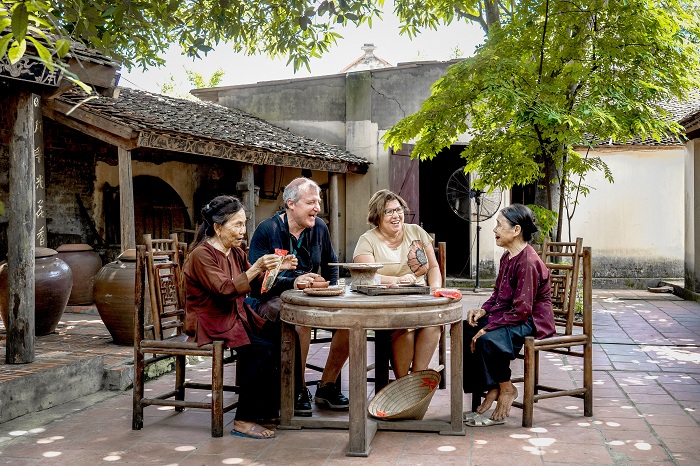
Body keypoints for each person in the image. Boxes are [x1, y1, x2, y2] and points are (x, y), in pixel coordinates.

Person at [183, 195, 296, 439]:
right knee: (259, 350)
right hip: (210, 321)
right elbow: (225, 290)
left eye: (244, 224)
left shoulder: (234, 252)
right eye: (237, 225)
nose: (243, 231)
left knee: (281, 335)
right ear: (218, 227)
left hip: (234, 317)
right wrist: (257, 267)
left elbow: (254, 286)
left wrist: (277, 268)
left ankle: (266, 410)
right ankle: (243, 420)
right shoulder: (202, 255)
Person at [248, 177, 350, 416]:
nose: (318, 208)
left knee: (350, 320)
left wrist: (333, 289)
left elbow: (331, 262)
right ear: (291, 204)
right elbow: (257, 282)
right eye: (311, 202)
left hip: (311, 297)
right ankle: (298, 388)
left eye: (318, 202)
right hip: (271, 300)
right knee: (300, 321)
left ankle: (327, 385)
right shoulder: (268, 230)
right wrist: (293, 282)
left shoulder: (319, 228)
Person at [463, 203, 555, 425]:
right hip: (512, 315)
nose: (494, 229)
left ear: (516, 230)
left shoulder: (527, 262)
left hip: (531, 321)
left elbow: (522, 311)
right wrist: (483, 310)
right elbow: (498, 295)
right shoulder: (507, 257)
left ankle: (505, 388)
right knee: (467, 328)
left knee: (487, 339)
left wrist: (489, 327)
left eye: (499, 225)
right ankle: (492, 386)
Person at [353, 189, 442, 378]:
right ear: (377, 216)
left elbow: (434, 267)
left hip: (420, 300)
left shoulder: (416, 231)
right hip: (387, 304)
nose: (396, 216)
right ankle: (402, 382)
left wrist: (435, 290)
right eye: (389, 211)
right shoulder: (367, 240)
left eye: (399, 210)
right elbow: (366, 276)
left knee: (434, 324)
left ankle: (415, 380)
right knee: (406, 328)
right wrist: (396, 280)